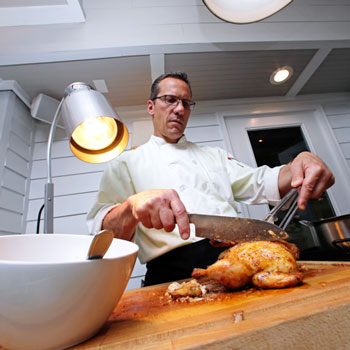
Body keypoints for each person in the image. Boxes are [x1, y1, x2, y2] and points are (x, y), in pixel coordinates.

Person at [87, 72, 334, 286]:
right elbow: (104, 235)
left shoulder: (214, 156)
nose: (180, 109)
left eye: (186, 102)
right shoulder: (125, 163)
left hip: (233, 261)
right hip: (170, 272)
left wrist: (301, 161)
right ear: (151, 107)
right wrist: (131, 207)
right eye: (170, 100)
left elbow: (264, 181)